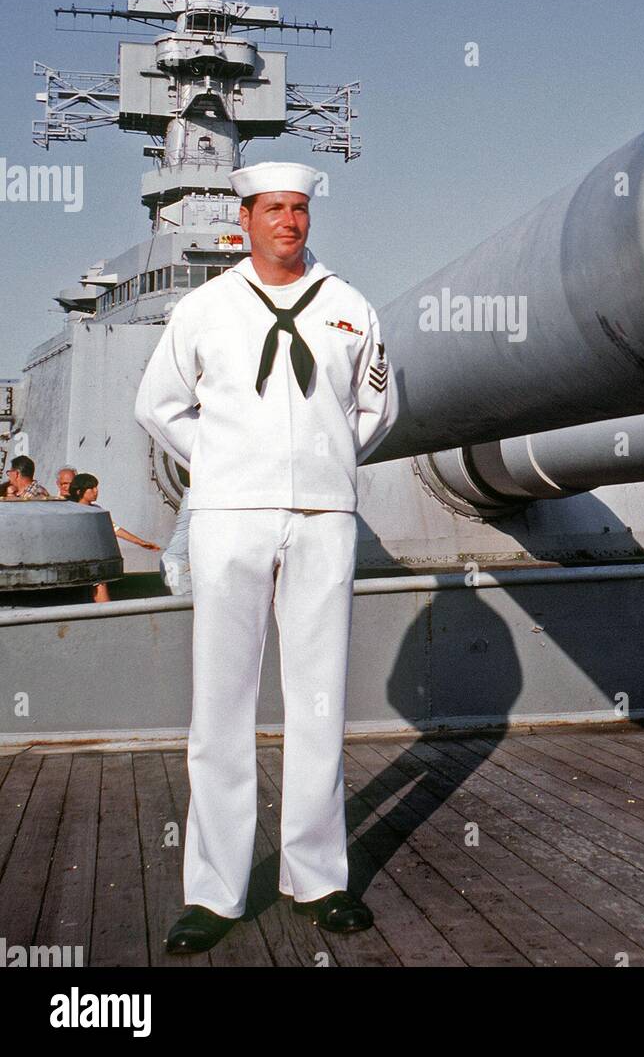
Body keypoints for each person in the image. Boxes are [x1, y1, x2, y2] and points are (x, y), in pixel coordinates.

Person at [134, 161, 398, 956]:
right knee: (221, 704)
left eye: (299, 209)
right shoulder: (205, 308)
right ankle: (213, 893)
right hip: (228, 517)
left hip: (322, 517)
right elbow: (158, 404)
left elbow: (377, 407)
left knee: (317, 701)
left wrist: (323, 462)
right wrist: (221, 466)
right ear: (243, 219)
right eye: (273, 209)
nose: (289, 222)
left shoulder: (350, 306)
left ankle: (318, 879)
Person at [67, 472, 161, 602]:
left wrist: (140, 542)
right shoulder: (69, 510)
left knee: (99, 586)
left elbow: (114, 528)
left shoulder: (97, 510)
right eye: (92, 488)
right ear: (79, 491)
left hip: (93, 563)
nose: (96, 491)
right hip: (76, 563)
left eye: (96, 487)